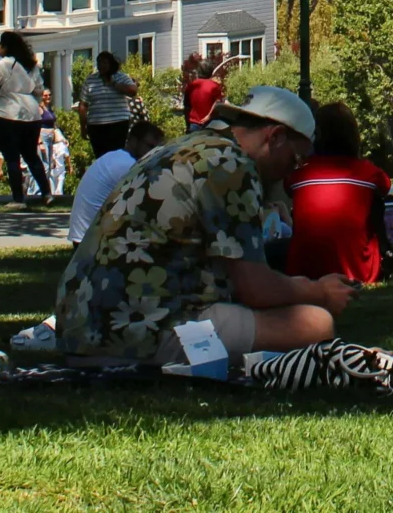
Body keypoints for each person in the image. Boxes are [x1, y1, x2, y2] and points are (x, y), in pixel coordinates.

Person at [56, 85, 354, 364]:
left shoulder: (184, 146)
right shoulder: (232, 165)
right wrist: (318, 292)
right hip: (137, 334)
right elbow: (255, 289)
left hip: (80, 326)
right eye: (295, 160)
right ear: (274, 137)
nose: (290, 172)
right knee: (315, 323)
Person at [287, 102, 390, 284]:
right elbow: (384, 187)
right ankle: (385, 256)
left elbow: (287, 189)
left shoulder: (298, 174)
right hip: (357, 271)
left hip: (303, 271)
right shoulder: (369, 173)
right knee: (374, 203)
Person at [67, 117, 162, 244]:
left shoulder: (115, 156)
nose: (154, 153)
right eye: (150, 146)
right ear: (133, 141)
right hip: (92, 243)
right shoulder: (128, 165)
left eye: (158, 149)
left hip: (83, 237)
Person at [0, 31, 51, 203]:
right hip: (32, 114)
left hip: (7, 113)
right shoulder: (31, 65)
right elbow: (39, 90)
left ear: (5, 47)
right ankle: (46, 193)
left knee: (12, 157)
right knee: (31, 156)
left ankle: (18, 198)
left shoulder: (0, 65)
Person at [77, 50, 139, 160]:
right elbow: (83, 104)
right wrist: (83, 126)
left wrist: (114, 84)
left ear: (110, 64)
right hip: (96, 124)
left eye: (104, 62)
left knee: (116, 155)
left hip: (118, 122)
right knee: (101, 156)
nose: (101, 65)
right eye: (99, 62)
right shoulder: (91, 80)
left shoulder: (121, 77)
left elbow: (133, 91)